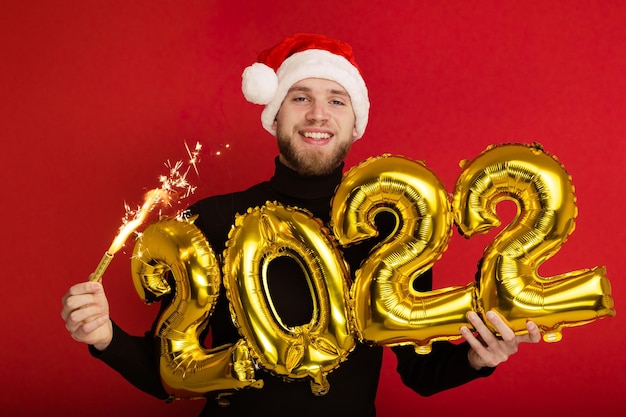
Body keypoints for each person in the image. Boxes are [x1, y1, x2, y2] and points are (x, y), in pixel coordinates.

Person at [61, 33, 541, 416]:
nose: (317, 114)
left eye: (336, 100)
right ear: (274, 117)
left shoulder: (394, 227)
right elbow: (170, 373)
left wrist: (480, 357)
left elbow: (421, 375)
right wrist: (105, 336)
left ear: (356, 123)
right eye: (300, 97)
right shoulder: (209, 220)